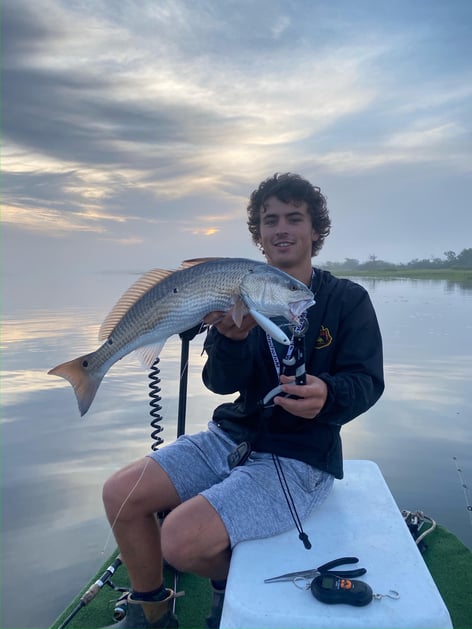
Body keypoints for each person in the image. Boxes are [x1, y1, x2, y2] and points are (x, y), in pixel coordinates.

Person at [101, 173, 384, 628]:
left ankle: (231, 592)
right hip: (233, 434)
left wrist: (329, 394)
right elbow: (217, 382)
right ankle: (150, 612)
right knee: (121, 494)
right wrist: (230, 341)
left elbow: (367, 381)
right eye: (270, 220)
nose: (282, 229)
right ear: (259, 235)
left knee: (179, 539)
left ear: (316, 231)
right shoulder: (241, 292)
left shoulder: (346, 301)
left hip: (301, 455)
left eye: (295, 218)